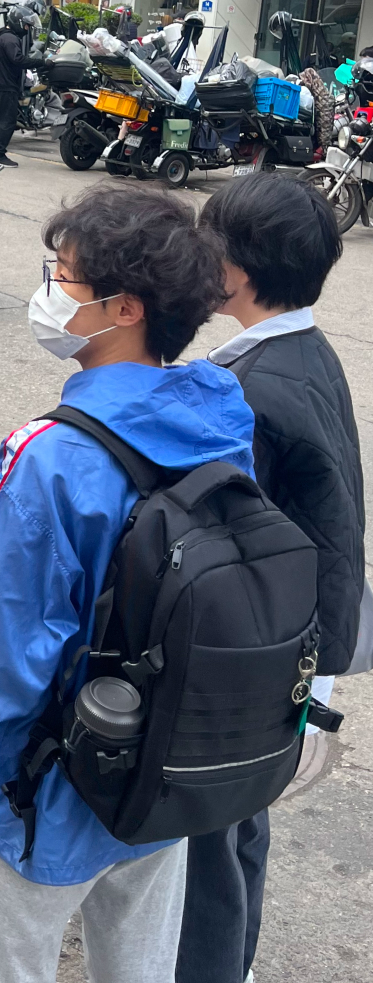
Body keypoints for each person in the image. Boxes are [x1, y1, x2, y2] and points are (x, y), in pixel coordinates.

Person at [0, 184, 255, 983]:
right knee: (140, 964)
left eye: (65, 276)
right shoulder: (220, 414)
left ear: (125, 308)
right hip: (167, 763)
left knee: (4, 962)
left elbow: (4, 638)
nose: (50, 290)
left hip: (48, 778)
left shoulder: (53, 455)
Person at [181, 174, 366, 983]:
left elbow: (237, 546)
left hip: (256, 651)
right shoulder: (303, 353)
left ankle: (211, 968)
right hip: (296, 643)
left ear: (238, 269)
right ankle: (234, 959)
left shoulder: (250, 391)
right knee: (241, 818)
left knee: (210, 830)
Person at [0, 6, 39, 167]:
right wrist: (42, 63)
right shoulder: (10, 39)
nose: (27, 29)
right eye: (27, 26)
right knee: (7, 121)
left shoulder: (0, 36)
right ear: (18, 23)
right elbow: (18, 59)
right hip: (6, 86)